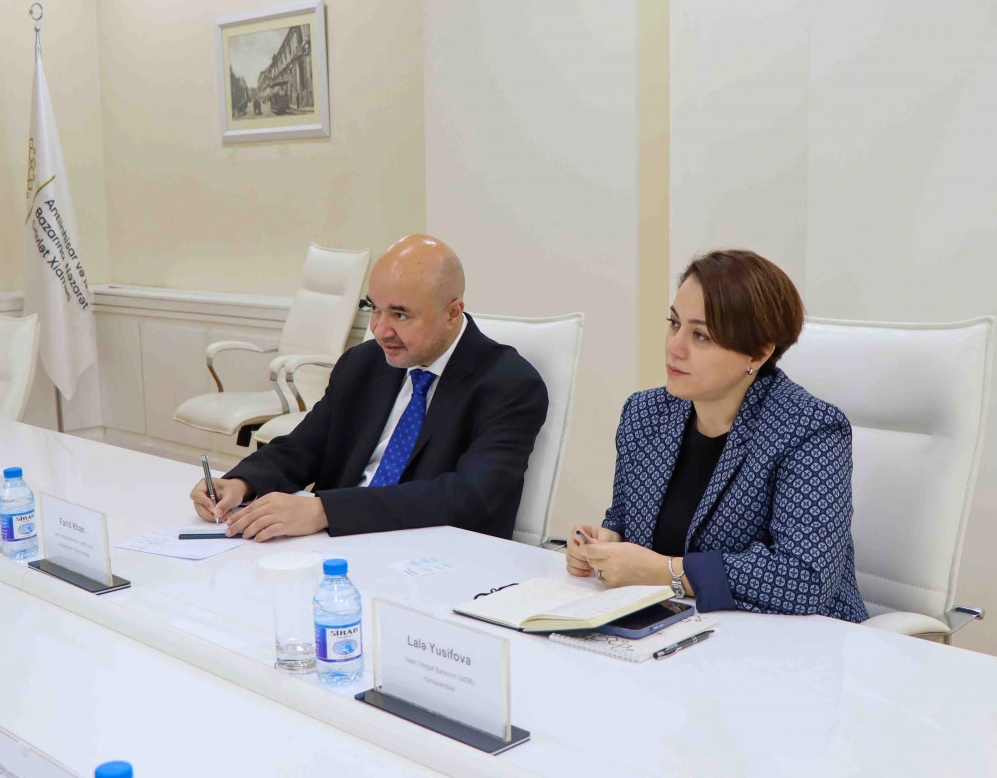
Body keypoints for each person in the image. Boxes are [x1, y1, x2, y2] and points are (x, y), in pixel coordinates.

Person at [566, 250, 867, 623]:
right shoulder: (645, 414)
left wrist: (666, 571)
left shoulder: (810, 429)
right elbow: (626, 519)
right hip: (675, 629)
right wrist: (605, 544)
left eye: (700, 335)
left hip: (799, 642)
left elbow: (804, 578)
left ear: (757, 353)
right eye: (674, 324)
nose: (674, 347)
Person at [190, 234, 549, 542]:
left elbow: (468, 497)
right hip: (335, 547)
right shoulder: (364, 363)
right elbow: (305, 446)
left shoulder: (510, 385)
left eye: (400, 315)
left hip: (433, 556)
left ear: (452, 313)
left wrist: (324, 511)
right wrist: (241, 484)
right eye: (374, 309)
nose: (379, 330)